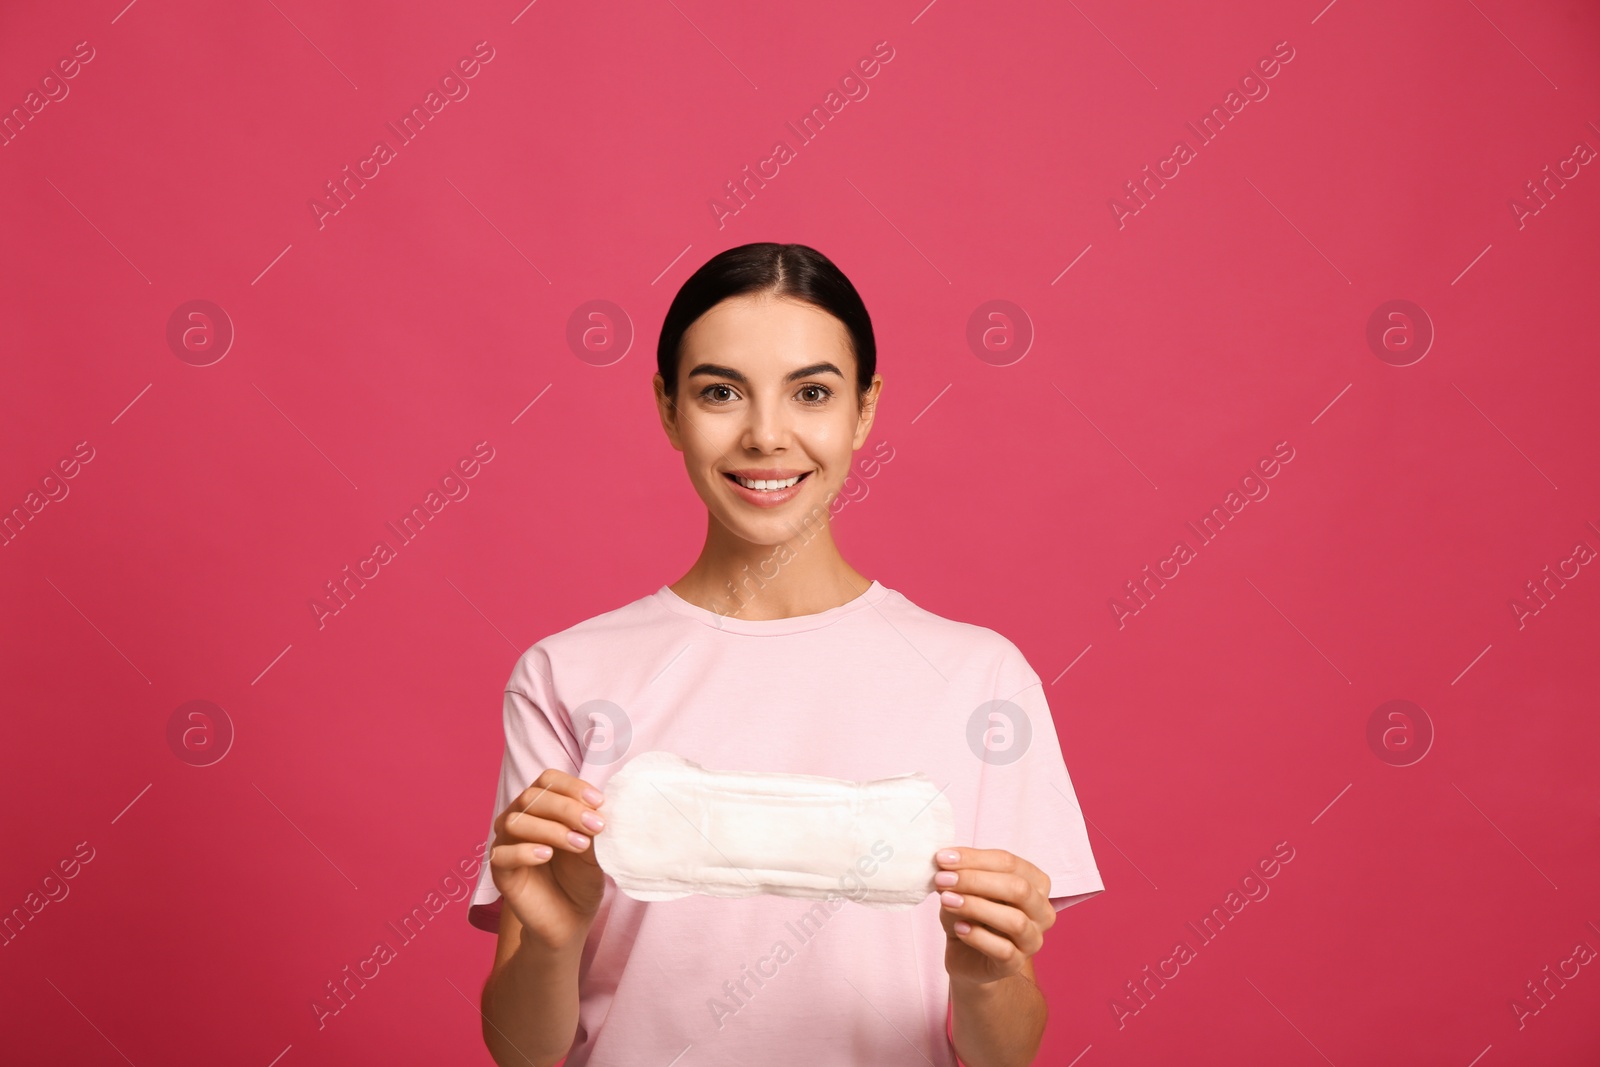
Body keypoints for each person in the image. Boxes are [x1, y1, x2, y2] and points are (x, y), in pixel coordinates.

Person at [470, 242, 1104, 1066]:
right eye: (720, 391)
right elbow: (523, 1052)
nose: (767, 435)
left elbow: (1005, 1054)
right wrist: (551, 939)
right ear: (667, 407)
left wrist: (987, 978)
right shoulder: (566, 674)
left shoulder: (980, 680)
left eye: (811, 392)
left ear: (865, 410)